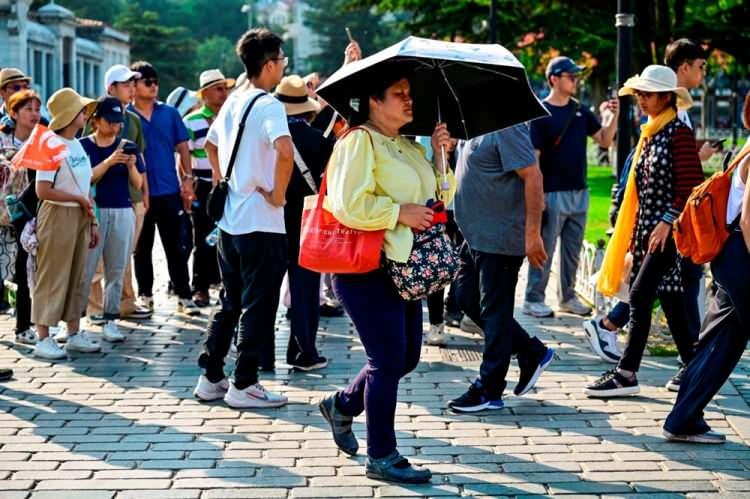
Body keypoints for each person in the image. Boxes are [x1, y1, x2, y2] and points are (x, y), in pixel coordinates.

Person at [317, 65, 455, 484]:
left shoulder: (408, 146)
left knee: (407, 356)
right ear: (374, 102)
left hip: (403, 268)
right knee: (388, 358)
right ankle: (382, 454)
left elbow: (439, 197)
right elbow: (345, 204)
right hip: (365, 267)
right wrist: (397, 213)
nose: (409, 100)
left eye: (409, 92)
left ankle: (342, 404)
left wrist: (440, 153)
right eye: (399, 93)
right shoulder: (358, 141)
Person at [585, 39, 716, 383]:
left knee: (642, 296)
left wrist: (666, 222)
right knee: (671, 302)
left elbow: (690, 186)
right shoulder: (651, 134)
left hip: (668, 236)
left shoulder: (678, 134)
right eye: (640, 93)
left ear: (667, 97)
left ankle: (627, 372)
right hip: (649, 235)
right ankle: (694, 369)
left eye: (648, 94)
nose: (641, 100)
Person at [193, 28, 293, 408]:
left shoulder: (235, 100)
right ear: (268, 64)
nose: (283, 66)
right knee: (260, 304)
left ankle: (212, 376)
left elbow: (210, 144)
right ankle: (245, 382)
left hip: (231, 221)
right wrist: (278, 194)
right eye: (281, 60)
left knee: (230, 301)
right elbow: (285, 151)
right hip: (262, 222)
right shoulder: (269, 105)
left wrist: (224, 180)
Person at [448, 124, 555, 412]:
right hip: (474, 236)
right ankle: (532, 351)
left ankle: (490, 388)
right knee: (465, 297)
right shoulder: (475, 124)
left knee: (495, 312)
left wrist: (532, 235)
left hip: (501, 238)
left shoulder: (507, 126)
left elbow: (533, 176)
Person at [663, 94, 750, 444]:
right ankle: (682, 418)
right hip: (743, 257)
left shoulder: (745, 147)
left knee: (721, 341)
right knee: (720, 341)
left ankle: (682, 418)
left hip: (730, 255)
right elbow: (748, 218)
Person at [523, 56, 618, 318]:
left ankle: (567, 297)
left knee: (573, 250)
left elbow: (605, 140)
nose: (576, 80)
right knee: (546, 248)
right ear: (554, 79)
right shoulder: (541, 114)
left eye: (577, 76)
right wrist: (538, 196)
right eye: (571, 76)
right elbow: (535, 159)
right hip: (552, 193)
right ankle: (533, 298)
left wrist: (612, 117)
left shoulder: (581, 111)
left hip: (580, 192)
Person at [32, 88, 100, 360]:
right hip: (58, 213)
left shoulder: (78, 145)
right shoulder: (50, 144)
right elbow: (42, 189)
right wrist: (77, 200)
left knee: (76, 274)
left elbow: (85, 184)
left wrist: (91, 220)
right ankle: (43, 337)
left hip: (80, 213)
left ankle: (73, 332)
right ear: (70, 114)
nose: (86, 114)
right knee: (52, 275)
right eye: (81, 110)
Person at [128, 61, 200, 316]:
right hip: (137, 192)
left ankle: (184, 295)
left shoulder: (169, 113)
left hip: (169, 189)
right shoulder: (126, 116)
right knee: (142, 248)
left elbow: (183, 147)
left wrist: (188, 178)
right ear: (133, 85)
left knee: (176, 246)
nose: (154, 86)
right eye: (148, 82)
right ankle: (145, 295)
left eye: (156, 81)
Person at [85, 64, 152, 324]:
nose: (132, 89)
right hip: (99, 201)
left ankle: (124, 304)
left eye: (133, 84)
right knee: (96, 262)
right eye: (126, 84)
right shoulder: (95, 113)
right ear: (111, 88)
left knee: (122, 257)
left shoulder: (132, 120)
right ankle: (94, 309)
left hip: (130, 200)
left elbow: (140, 156)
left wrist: (145, 192)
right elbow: (86, 157)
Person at [274, 74, 333, 371]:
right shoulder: (317, 140)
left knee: (266, 287)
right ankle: (302, 351)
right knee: (305, 288)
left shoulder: (269, 136)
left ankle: (258, 352)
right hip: (307, 219)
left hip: (270, 215)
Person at [79, 97, 145, 343]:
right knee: (86, 269)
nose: (116, 126)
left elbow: (138, 184)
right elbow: (87, 178)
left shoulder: (128, 146)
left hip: (122, 210)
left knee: (116, 269)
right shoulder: (83, 146)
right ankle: (76, 322)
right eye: (111, 121)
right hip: (93, 211)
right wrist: (109, 161)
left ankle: (111, 320)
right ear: (95, 120)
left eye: (119, 122)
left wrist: (130, 166)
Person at [184, 70, 234, 307]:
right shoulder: (191, 121)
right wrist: (186, 184)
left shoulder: (231, 117)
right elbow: (183, 156)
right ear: (204, 94)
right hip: (202, 183)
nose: (224, 93)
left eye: (225, 88)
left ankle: (227, 283)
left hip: (227, 183)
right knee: (202, 237)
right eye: (219, 88)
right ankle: (200, 287)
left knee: (229, 235)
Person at [0, 90, 41, 346]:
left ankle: (23, 326)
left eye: (37, 109)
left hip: (27, 217)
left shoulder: (42, 142)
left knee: (26, 273)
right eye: (28, 109)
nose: (34, 115)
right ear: (13, 113)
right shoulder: (2, 140)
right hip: (1, 216)